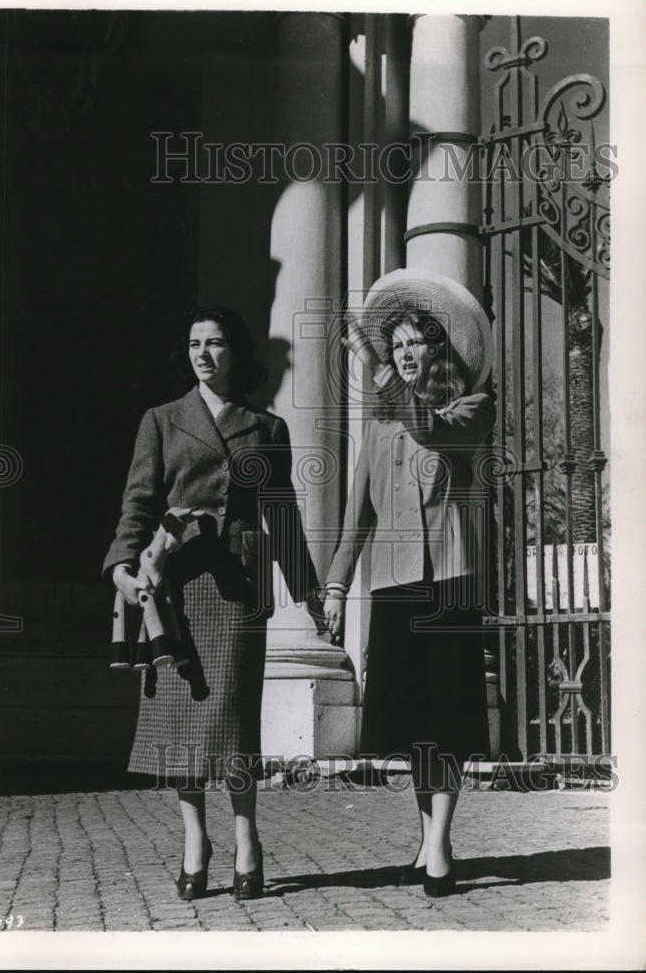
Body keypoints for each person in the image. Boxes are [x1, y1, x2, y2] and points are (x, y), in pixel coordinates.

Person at [104, 306, 324, 901]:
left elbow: (281, 513)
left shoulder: (267, 427)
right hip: (175, 585)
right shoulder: (162, 420)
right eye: (195, 342)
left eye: (217, 343)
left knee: (230, 717)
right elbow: (139, 503)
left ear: (237, 354)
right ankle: (194, 841)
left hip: (238, 590)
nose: (204, 353)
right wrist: (123, 568)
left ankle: (247, 840)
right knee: (180, 715)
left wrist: (308, 587)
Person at [323, 268, 495, 898]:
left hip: (450, 583)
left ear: (437, 350)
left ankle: (440, 846)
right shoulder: (377, 431)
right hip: (394, 589)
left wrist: (371, 363)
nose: (402, 356)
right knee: (414, 726)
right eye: (394, 348)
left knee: (446, 718)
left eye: (412, 346)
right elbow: (354, 524)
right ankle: (429, 845)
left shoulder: (472, 409)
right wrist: (336, 589)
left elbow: (431, 428)